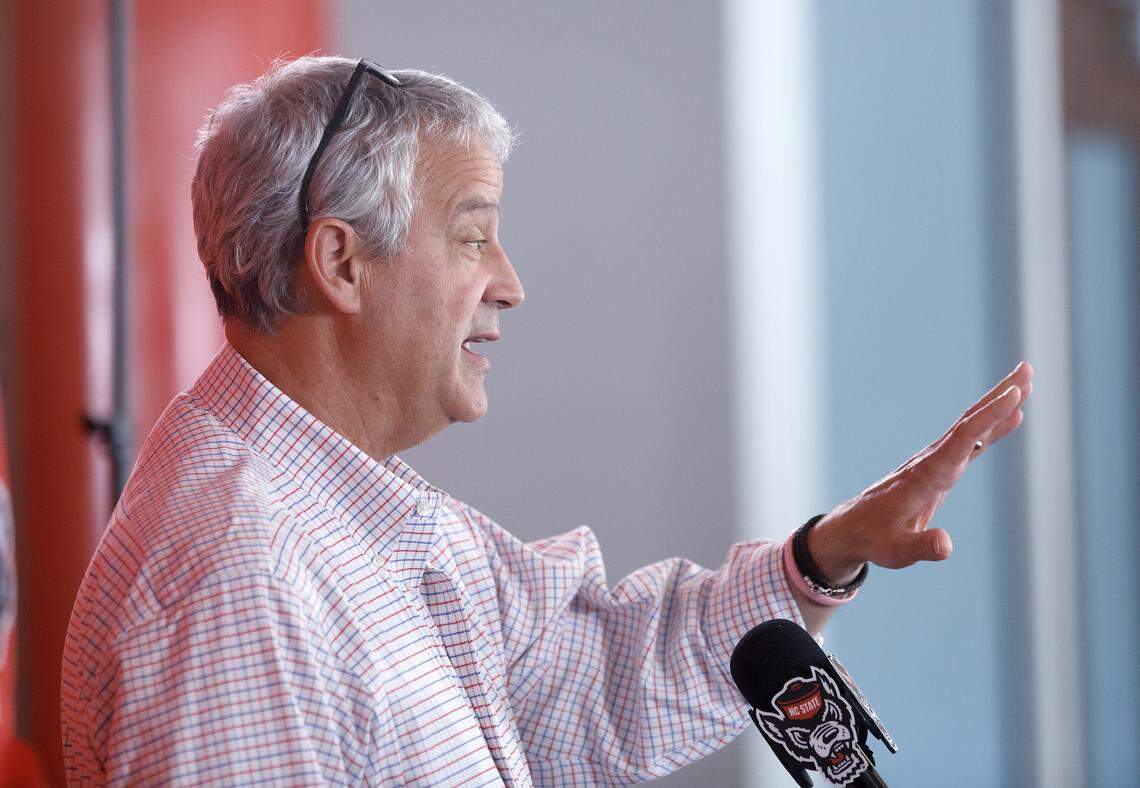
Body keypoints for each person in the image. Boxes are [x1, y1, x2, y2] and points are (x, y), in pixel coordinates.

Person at [60, 55, 1033, 786]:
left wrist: (820, 555)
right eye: (474, 234)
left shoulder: (349, 507)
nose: (513, 283)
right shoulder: (239, 575)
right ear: (342, 263)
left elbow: (592, 677)